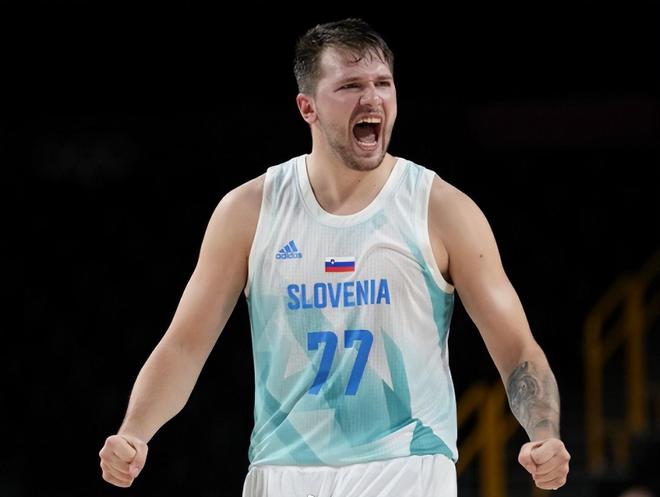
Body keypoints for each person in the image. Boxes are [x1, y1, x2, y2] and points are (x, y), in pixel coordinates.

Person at [99, 18, 571, 496]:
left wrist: (544, 433)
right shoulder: (248, 211)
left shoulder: (442, 208)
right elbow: (184, 346)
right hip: (282, 471)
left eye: (383, 83)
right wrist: (134, 432)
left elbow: (517, 349)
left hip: (405, 466)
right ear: (307, 107)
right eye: (350, 86)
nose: (372, 99)